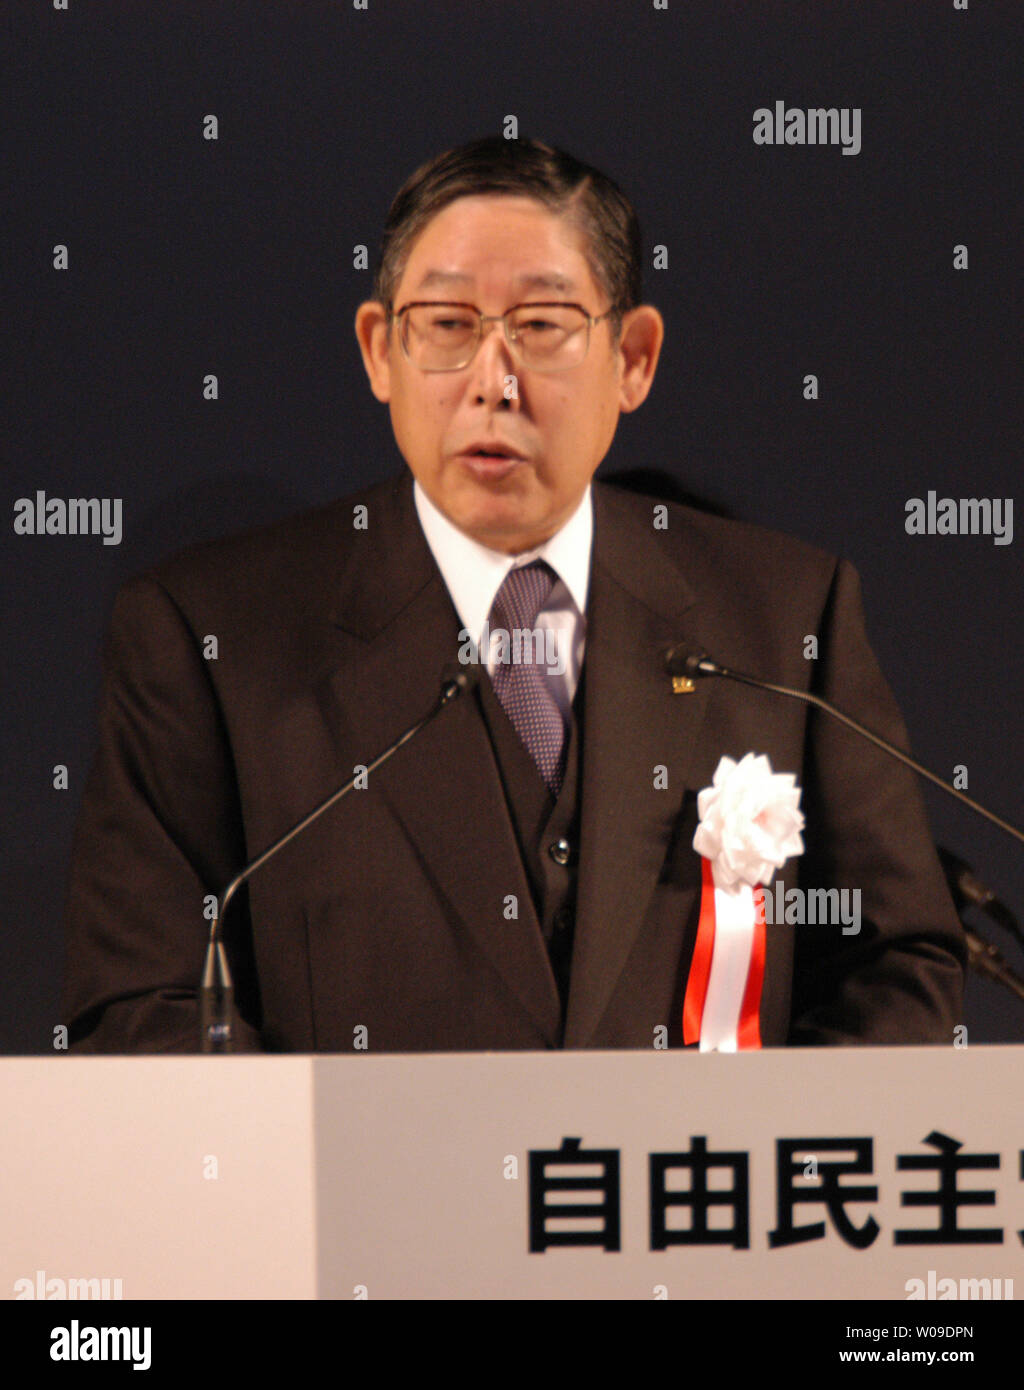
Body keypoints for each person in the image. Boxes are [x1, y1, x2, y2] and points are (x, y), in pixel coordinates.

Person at [61, 136, 965, 1053]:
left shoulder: (783, 615)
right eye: (447, 326)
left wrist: (755, 1176)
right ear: (380, 351)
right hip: (362, 1195)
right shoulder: (211, 635)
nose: (494, 385)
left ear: (634, 359)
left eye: (542, 326)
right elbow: (146, 1006)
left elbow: (896, 963)